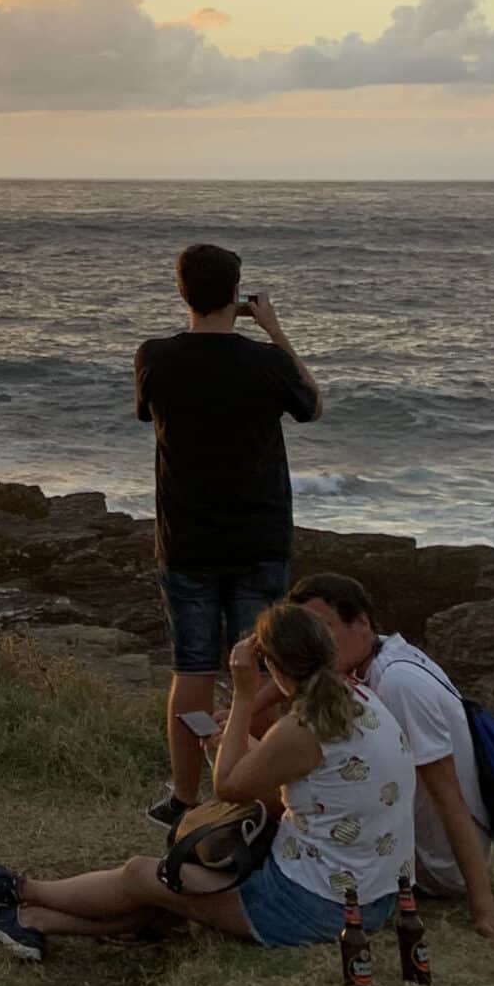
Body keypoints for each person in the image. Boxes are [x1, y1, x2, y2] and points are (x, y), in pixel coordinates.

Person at [0, 603, 413, 960]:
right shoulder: (359, 699)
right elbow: (299, 772)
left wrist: (240, 693)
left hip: (316, 907)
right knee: (177, 893)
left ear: (272, 665)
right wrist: (238, 742)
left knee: (144, 874)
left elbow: (229, 787)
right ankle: (35, 919)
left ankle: (22, 891)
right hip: (372, 894)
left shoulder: (304, 727)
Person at [136, 243, 322, 830]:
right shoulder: (264, 361)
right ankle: (264, 795)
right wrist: (274, 329)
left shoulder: (156, 358)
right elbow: (313, 404)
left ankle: (185, 798)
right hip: (259, 535)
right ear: (237, 293)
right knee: (265, 671)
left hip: (188, 537)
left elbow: (148, 413)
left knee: (191, 668)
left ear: (181, 291)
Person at [287, 572, 494, 945]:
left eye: (325, 629)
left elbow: (448, 797)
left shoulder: (398, 685)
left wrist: (485, 912)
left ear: (362, 624)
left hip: (435, 866)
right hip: (412, 841)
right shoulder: (385, 655)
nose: (316, 644)